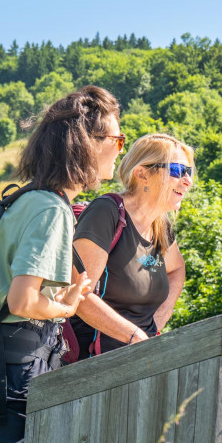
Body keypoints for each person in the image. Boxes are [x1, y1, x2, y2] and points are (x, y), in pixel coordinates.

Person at [0, 85, 122, 443]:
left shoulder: (30, 199)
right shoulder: (51, 209)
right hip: (10, 372)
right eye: (117, 139)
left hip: (5, 365)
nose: (120, 148)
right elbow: (22, 299)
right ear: (87, 143)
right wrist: (64, 308)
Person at [69, 133, 193, 357]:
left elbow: (177, 270)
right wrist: (135, 336)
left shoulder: (160, 225)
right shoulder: (106, 212)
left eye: (188, 172)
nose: (187, 181)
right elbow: (78, 294)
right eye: (177, 170)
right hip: (91, 365)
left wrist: (157, 322)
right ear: (142, 174)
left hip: (139, 360)